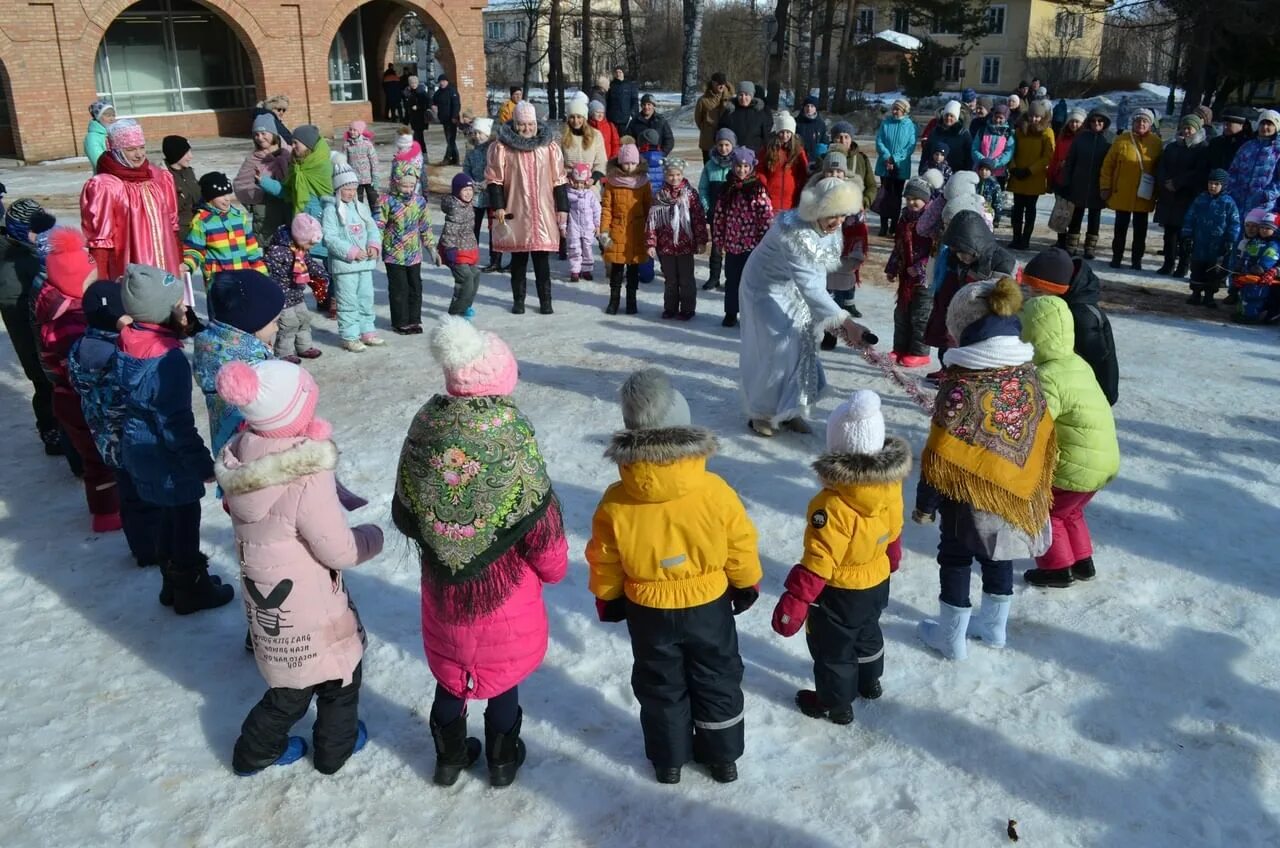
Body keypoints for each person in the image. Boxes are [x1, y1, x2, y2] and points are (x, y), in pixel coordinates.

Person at [393, 317, 568, 788]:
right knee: (503, 677)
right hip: (504, 593)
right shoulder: (509, 432)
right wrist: (553, 569)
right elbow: (540, 518)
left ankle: (448, 759)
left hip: (445, 591)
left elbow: (407, 505)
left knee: (452, 673)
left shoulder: (427, 424)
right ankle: (503, 760)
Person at [586, 367, 761, 785]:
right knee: (717, 677)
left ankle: (668, 761)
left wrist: (608, 596)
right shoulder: (714, 490)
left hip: (649, 610)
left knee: (660, 683)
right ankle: (722, 758)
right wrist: (745, 581)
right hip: (708, 606)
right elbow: (739, 539)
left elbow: (605, 556)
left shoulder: (616, 500)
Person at [215, 359, 382, 777]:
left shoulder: (241, 456)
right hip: (309, 603)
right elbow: (338, 550)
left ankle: (256, 751)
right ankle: (333, 751)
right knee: (340, 678)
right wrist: (371, 538)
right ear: (295, 413)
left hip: (270, 602)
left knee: (290, 683)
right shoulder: (305, 474)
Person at [914, 278, 1056, 659]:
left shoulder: (962, 384)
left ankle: (951, 637)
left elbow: (941, 453)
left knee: (956, 556)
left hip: (966, 496)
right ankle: (994, 629)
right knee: (1001, 553)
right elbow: (1041, 430)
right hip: (1014, 490)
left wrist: (926, 505)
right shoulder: (1028, 375)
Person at [771, 390, 908, 720]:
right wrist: (892, 556)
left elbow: (820, 558)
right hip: (876, 580)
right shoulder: (890, 486)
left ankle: (836, 704)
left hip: (840, 591)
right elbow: (894, 528)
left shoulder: (831, 506)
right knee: (867, 631)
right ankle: (870, 681)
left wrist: (796, 599)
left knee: (833, 649)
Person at [116, 263, 233, 614]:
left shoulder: (130, 337)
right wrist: (200, 464)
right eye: (179, 305)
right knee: (184, 519)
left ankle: (171, 585)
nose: (185, 309)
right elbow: (175, 423)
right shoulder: (168, 362)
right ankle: (191, 591)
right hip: (165, 454)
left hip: (137, 447)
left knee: (166, 516)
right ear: (161, 313)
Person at [738, 177, 871, 436]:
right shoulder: (793, 233)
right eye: (834, 215)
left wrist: (829, 316)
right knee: (777, 347)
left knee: (803, 341)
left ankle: (790, 410)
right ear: (818, 209)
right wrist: (845, 321)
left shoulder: (829, 228)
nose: (839, 222)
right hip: (763, 289)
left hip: (794, 286)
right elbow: (811, 285)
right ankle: (762, 414)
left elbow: (816, 277)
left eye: (843, 215)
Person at [1018, 296, 1120, 589]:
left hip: (1075, 465)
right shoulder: (1077, 363)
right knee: (1070, 510)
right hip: (1102, 461)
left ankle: (1057, 568)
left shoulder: (1048, 375)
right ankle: (1082, 562)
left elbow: (1039, 422)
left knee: (1047, 512)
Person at [34, 228, 121, 532]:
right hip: (80, 398)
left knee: (91, 456)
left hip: (66, 397)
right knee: (98, 458)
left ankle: (106, 508)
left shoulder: (57, 307)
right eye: (89, 280)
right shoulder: (71, 322)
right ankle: (107, 513)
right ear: (74, 280)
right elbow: (84, 368)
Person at [70, 281, 162, 565]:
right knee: (148, 496)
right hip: (134, 438)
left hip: (105, 442)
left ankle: (140, 548)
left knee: (129, 496)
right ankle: (155, 548)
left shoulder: (78, 348)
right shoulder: (119, 353)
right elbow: (138, 392)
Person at [486, 101, 569, 315]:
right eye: (522, 124)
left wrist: (562, 207)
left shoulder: (549, 147)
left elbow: (559, 179)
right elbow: (494, 179)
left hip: (543, 210)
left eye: (530, 124)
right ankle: (519, 301)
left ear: (536, 123)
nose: (526, 128)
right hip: (516, 209)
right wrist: (498, 207)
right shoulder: (502, 148)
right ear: (515, 123)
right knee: (519, 259)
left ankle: (546, 301)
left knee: (542, 261)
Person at [192, 269, 285, 460]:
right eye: (274, 321)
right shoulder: (250, 362)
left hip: (227, 449)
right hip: (257, 452)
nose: (277, 327)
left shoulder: (212, 345)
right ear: (251, 322)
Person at [922, 210, 1017, 383]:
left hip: (986, 317)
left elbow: (1005, 295)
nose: (959, 257)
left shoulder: (1001, 261)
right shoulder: (960, 259)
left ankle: (969, 379)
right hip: (965, 311)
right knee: (950, 342)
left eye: (963, 252)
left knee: (975, 351)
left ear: (975, 245)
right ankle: (948, 371)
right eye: (956, 252)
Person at [81, 119, 182, 280]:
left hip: (166, 267)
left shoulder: (159, 177)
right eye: (131, 149)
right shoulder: (105, 185)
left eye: (142, 147)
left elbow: (172, 225)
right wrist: (100, 282)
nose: (139, 154)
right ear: (117, 150)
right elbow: (100, 241)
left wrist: (179, 260)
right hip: (129, 269)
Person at [1019, 247, 1119, 405]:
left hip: (1092, 393)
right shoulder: (1060, 303)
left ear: (1056, 288)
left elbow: (1096, 361)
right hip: (1070, 385)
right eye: (1029, 289)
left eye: (1037, 291)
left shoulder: (1082, 315)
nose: (1031, 295)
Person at [0, 200, 61, 455]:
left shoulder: (30, 249)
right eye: (38, 231)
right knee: (42, 379)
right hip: (28, 330)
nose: (43, 236)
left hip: (44, 326)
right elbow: (17, 308)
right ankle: (50, 429)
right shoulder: (10, 264)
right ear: (21, 230)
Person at [323, 162, 383, 351]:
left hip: (364, 264)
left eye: (353, 189)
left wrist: (373, 245)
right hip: (345, 266)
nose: (350, 193)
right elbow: (330, 238)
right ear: (338, 188)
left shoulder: (361, 208)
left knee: (366, 298)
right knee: (348, 301)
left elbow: (372, 228)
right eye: (346, 189)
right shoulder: (331, 210)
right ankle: (350, 336)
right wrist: (352, 252)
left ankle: (367, 330)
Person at [712, 147, 774, 327]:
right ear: (733, 166)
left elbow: (766, 216)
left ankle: (751, 313)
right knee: (732, 279)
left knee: (752, 281)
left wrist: (765, 241)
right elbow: (719, 216)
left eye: (746, 166)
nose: (742, 170)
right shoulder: (726, 188)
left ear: (752, 167)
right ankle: (731, 312)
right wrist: (719, 238)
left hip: (752, 245)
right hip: (732, 244)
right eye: (739, 166)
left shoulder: (757, 188)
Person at [646, 157, 708, 321]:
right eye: (671, 175)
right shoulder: (660, 195)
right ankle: (670, 307)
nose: (675, 178)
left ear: (682, 174)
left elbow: (698, 218)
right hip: (666, 247)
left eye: (678, 174)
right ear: (665, 175)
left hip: (685, 245)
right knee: (670, 280)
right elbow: (652, 221)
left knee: (686, 279)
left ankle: (688, 308)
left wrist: (701, 240)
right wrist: (651, 243)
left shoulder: (690, 194)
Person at [1100, 108, 1163, 270]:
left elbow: (1160, 168)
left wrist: (1159, 191)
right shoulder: (1121, 139)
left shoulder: (1156, 143)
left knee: (1140, 232)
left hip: (1144, 194)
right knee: (1120, 229)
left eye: (1145, 121)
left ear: (1150, 124)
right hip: (1122, 192)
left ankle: (1137, 260)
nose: (1141, 124)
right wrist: (1105, 186)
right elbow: (1108, 165)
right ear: (1133, 122)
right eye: (1138, 121)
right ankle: (1117, 257)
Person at [183, 171, 267, 289]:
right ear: (210, 198)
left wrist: (262, 275)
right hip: (218, 282)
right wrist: (188, 264)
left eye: (228, 194)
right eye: (221, 195)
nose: (227, 199)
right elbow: (194, 249)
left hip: (243, 278)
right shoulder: (202, 221)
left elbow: (251, 250)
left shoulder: (238, 218)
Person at [379, 159, 434, 333]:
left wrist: (431, 247)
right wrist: (374, 245)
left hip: (413, 253)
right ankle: (400, 321)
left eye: (412, 186)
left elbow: (425, 226)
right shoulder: (386, 201)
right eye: (404, 186)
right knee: (399, 288)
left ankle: (414, 319)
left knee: (415, 287)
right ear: (395, 183)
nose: (408, 190)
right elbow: (379, 224)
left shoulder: (419, 202)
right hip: (393, 254)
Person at [599, 141, 653, 315]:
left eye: (633, 163)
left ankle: (631, 301)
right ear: (620, 163)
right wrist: (604, 230)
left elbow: (648, 207)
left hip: (636, 231)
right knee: (616, 268)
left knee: (633, 269)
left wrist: (649, 231)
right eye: (626, 163)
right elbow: (607, 208)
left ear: (638, 163)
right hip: (618, 229)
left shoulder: (643, 182)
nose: (629, 167)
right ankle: (613, 301)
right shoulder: (612, 182)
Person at [886, 179, 935, 368]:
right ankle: (900, 347)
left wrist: (920, 267)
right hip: (906, 276)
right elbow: (899, 246)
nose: (911, 202)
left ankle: (919, 352)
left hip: (925, 278)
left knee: (920, 315)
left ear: (925, 199)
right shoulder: (904, 218)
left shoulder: (932, 221)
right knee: (902, 313)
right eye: (908, 198)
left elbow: (936, 251)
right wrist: (892, 267)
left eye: (916, 199)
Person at [263, 214, 326, 361]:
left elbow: (309, 263)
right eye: (310, 244)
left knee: (304, 319)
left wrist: (322, 273)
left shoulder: (301, 249)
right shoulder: (278, 250)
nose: (311, 248)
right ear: (301, 238)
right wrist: (288, 274)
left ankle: (304, 346)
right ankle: (284, 352)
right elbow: (270, 269)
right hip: (282, 296)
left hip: (297, 293)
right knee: (289, 324)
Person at [1154, 114, 1209, 276]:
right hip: (1169, 197)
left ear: (1196, 130)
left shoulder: (1202, 148)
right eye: (1184, 127)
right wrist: (1165, 181)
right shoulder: (1172, 146)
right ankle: (1168, 263)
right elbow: (1161, 166)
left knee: (1185, 235)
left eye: (1189, 128)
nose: (1186, 131)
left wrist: (1177, 183)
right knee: (1169, 233)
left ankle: (1183, 265)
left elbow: (1199, 172)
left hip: (1187, 196)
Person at [1180, 168, 1242, 307]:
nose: (1212, 186)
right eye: (1210, 183)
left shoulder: (1228, 202)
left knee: (1214, 271)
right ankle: (1196, 294)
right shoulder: (1200, 199)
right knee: (1197, 269)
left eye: (1216, 184)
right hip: (1199, 243)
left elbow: (1234, 223)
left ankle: (1209, 296)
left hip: (1218, 245)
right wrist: (1187, 236)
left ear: (1223, 185)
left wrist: (1230, 240)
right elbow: (1190, 217)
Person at [1060, 109, 1111, 258]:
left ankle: (1090, 247)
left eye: (1100, 121)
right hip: (1079, 182)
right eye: (1094, 121)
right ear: (1089, 122)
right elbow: (1070, 161)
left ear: (1105, 123)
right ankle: (1071, 245)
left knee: (1095, 216)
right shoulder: (1081, 138)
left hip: (1098, 184)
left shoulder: (1109, 140)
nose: (1096, 124)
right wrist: (1066, 181)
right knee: (1076, 215)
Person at [234, 114, 292, 244]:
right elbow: (240, 185)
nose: (259, 138)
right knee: (271, 254)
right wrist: (256, 201)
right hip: (266, 214)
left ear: (273, 133)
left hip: (290, 209)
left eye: (263, 133)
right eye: (256, 134)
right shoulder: (253, 159)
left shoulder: (289, 153)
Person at [1006, 103, 1056, 251]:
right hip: (1018, 175)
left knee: (1030, 209)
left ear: (1042, 117)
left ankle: (1025, 239)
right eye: (1032, 116)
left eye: (1037, 116)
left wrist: (1030, 170)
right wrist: (1013, 168)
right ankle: (1016, 238)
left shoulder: (1047, 133)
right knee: (1017, 209)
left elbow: (1048, 156)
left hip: (1034, 177)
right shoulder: (1019, 131)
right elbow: (1010, 150)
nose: (1034, 119)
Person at [264, 124, 333, 221]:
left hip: (322, 221)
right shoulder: (295, 165)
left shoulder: (323, 166)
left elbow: (331, 197)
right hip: (300, 221)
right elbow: (287, 191)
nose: (292, 146)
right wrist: (263, 181)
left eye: (296, 143)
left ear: (307, 144)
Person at [1225, 109, 1280, 221]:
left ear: (1276, 127)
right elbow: (1233, 170)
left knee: (1254, 236)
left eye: (1269, 124)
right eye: (1262, 123)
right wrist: (1232, 190)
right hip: (1238, 201)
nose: (1265, 127)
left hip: (1263, 206)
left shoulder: (1277, 150)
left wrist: (1267, 194)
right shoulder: (1247, 146)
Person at [439, 174, 481, 316]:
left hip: (468, 248)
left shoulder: (466, 203)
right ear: (457, 192)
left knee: (475, 274)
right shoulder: (456, 208)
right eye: (465, 190)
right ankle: (456, 311)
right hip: (456, 250)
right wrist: (450, 250)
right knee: (466, 279)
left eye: (470, 190)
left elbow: (479, 188)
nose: (469, 193)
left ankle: (465, 306)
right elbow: (449, 231)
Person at [699, 129, 735, 291]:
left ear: (732, 146)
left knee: (733, 248)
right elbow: (703, 188)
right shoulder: (710, 165)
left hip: (733, 214)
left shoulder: (738, 164)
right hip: (715, 213)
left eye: (727, 145)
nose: (724, 148)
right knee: (716, 246)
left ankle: (731, 278)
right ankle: (714, 277)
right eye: (721, 144)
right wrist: (707, 206)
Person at [875, 98, 917, 237]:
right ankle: (883, 225)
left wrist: (895, 158)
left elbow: (910, 146)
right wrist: (887, 156)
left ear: (904, 110)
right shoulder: (886, 123)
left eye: (897, 109)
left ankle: (893, 225)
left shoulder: (910, 125)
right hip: (885, 165)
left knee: (897, 196)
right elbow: (879, 140)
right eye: (893, 108)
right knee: (884, 195)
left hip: (901, 166)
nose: (894, 111)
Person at [1047, 107, 1085, 250]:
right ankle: (1061, 240)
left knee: (1075, 214)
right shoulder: (1063, 137)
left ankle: (1072, 243)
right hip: (1061, 179)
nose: (1074, 125)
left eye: (1077, 122)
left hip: (1077, 181)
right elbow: (1055, 158)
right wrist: (1050, 177)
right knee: (1061, 212)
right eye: (1072, 122)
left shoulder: (1084, 138)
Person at [757, 114, 810, 213]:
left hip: (791, 197)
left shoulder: (798, 151)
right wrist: (763, 184)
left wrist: (800, 188)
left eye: (788, 132)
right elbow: (760, 169)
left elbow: (803, 172)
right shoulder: (769, 149)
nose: (785, 136)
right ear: (777, 132)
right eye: (782, 132)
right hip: (771, 196)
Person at [565, 163, 601, 283]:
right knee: (574, 248)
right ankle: (575, 270)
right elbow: (563, 211)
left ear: (586, 182)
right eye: (576, 182)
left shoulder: (590, 195)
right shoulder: (568, 194)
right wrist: (562, 226)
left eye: (582, 182)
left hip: (587, 226)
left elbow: (597, 210)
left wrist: (597, 225)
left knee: (587, 247)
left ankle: (586, 269)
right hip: (573, 226)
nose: (579, 185)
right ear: (572, 181)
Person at [827, 122, 877, 210]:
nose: (843, 141)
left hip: (855, 209)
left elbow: (871, 186)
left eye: (846, 137)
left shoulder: (861, 159)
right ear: (833, 139)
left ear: (851, 139)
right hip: (830, 211)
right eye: (839, 137)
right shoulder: (824, 159)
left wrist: (865, 201)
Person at [560, 99, 609, 182]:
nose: (576, 121)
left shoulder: (596, 135)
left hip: (590, 182)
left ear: (584, 118)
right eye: (572, 117)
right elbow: (558, 164)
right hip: (569, 182)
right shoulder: (562, 136)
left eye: (579, 117)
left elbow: (601, 162)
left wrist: (593, 179)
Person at [162, 136, 200, 242]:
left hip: (198, 229)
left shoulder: (189, 172)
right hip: (180, 234)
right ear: (176, 154)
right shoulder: (164, 177)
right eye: (186, 153)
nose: (190, 156)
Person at [718, 80, 770, 154]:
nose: (743, 98)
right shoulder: (730, 111)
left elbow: (766, 136)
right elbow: (721, 132)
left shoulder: (759, 112)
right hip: (734, 155)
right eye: (741, 95)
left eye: (746, 94)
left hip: (754, 154)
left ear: (751, 96)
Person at [922, 101, 973, 174]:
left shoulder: (963, 134)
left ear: (957, 117)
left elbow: (969, 157)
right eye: (946, 115)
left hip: (956, 173)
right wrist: (922, 168)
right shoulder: (935, 132)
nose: (948, 118)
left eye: (952, 116)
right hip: (934, 172)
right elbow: (926, 152)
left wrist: (966, 173)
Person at [695, 73, 733, 163]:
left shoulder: (731, 98)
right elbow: (698, 119)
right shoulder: (703, 100)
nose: (721, 86)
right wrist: (706, 129)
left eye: (723, 83)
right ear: (713, 83)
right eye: (718, 83)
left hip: (725, 138)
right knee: (709, 166)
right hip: (708, 139)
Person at [343, 120, 379, 208]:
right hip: (355, 179)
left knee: (374, 200)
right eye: (350, 130)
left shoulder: (367, 144)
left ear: (360, 131)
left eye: (355, 130)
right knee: (358, 202)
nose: (352, 132)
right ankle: (360, 218)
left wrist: (375, 178)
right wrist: (346, 177)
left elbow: (374, 161)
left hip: (369, 179)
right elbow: (344, 162)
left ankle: (376, 218)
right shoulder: (347, 145)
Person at [432, 74, 463, 165]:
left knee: (450, 140)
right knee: (450, 140)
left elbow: (457, 105)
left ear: (447, 82)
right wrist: (433, 105)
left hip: (452, 119)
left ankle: (447, 159)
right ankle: (455, 159)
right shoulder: (438, 93)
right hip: (444, 119)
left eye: (443, 81)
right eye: (440, 82)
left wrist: (454, 117)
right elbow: (433, 100)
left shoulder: (452, 91)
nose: (441, 83)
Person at [605, 66, 641, 137]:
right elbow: (607, 101)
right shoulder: (610, 85)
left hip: (625, 119)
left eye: (620, 72)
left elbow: (634, 100)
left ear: (623, 73)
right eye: (616, 72)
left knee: (624, 140)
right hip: (613, 118)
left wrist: (633, 113)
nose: (618, 74)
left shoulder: (630, 85)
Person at [794, 96, 829, 168]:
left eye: (812, 106)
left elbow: (824, 143)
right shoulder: (796, 122)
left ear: (816, 108)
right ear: (803, 107)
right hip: (798, 160)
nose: (809, 108)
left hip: (815, 161)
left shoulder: (821, 124)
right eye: (807, 106)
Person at [402, 75, 433, 153]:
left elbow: (427, 103)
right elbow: (407, 107)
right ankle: (420, 154)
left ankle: (421, 154)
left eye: (415, 83)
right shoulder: (408, 93)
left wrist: (418, 107)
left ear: (418, 83)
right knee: (418, 137)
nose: (413, 84)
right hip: (413, 118)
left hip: (421, 118)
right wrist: (406, 120)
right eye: (412, 83)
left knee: (418, 137)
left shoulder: (422, 92)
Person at [84, 101, 116, 173]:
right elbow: (99, 162)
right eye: (108, 115)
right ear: (98, 117)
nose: (112, 119)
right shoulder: (92, 138)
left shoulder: (113, 134)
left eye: (113, 115)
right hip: (105, 178)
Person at [976, 161, 1005, 228]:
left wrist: (997, 218)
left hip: (988, 210)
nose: (984, 172)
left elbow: (998, 202)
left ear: (991, 171)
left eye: (986, 170)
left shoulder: (994, 184)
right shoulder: (975, 182)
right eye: (981, 169)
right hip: (976, 210)